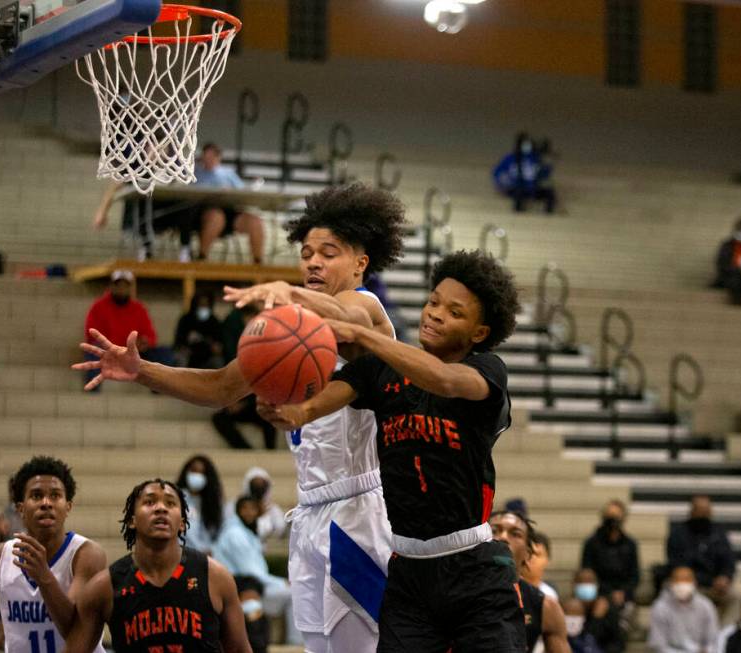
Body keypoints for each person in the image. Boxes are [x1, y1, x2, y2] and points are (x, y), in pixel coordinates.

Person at [73, 183, 407, 653]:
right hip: (310, 513)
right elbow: (221, 387)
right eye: (306, 252)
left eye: (328, 253)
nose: (312, 262)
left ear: (360, 263)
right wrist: (142, 369)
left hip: (359, 512)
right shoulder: (291, 328)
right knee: (318, 645)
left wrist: (288, 291)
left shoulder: (366, 308)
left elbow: (342, 315)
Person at [276, 250, 526, 652]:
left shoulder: (487, 370)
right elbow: (309, 406)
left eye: (455, 312)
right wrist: (284, 405)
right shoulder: (380, 372)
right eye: (433, 302)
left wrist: (363, 335)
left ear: (479, 333)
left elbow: (443, 379)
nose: (436, 314)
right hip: (408, 574)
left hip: (472, 567)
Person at [63, 479, 253, 653]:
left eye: (170, 503)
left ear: (183, 524)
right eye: (149, 502)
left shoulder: (215, 577)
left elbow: (240, 649)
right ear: (132, 520)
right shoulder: (104, 586)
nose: (161, 508)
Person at [0, 456, 107, 653]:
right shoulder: (0, 557)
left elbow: (77, 631)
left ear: (68, 506)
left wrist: (44, 578)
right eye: (36, 495)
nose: (46, 503)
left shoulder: (86, 555)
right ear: (21, 508)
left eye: (55, 495)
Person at [212, 496, 298, 645]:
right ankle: (295, 644)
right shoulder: (235, 534)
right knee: (293, 594)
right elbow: (251, 572)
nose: (249, 512)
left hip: (251, 584)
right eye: (244, 508)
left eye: (252, 508)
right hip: (240, 588)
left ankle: (294, 644)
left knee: (293, 592)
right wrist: (282, 583)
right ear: (237, 511)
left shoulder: (246, 532)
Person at [489, 511, 569, 653]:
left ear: (527, 553)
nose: (503, 537)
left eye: (515, 534)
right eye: (494, 531)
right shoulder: (454, 590)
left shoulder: (545, 606)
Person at [82, 270, 174, 390]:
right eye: (118, 285)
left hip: (133, 353)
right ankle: (93, 391)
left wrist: (145, 342)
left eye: (125, 285)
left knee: (164, 353)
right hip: (109, 352)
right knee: (93, 351)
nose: (121, 289)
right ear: (111, 286)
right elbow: (91, 334)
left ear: (130, 288)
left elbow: (150, 336)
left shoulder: (139, 308)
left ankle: (159, 389)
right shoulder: (98, 307)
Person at [667, 496, 741, 625]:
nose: (703, 515)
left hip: (718, 585)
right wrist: (710, 581)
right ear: (692, 512)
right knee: (681, 589)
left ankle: (724, 634)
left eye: (706, 511)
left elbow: (729, 558)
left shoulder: (718, 531)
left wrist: (725, 576)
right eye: (700, 511)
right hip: (693, 584)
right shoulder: (679, 534)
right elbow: (678, 565)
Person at [212, 306, 276, 449]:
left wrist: (245, 403)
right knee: (219, 418)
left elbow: (267, 386)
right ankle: (244, 449)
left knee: (269, 414)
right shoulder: (234, 348)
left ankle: (271, 450)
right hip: (236, 399)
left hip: (255, 402)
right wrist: (231, 401)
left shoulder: (266, 348)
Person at [93, 181, 199, 262]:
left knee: (187, 204)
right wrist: (102, 211)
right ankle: (145, 247)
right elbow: (115, 184)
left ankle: (185, 249)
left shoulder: (170, 162)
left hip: (162, 213)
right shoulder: (135, 163)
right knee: (144, 200)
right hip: (138, 215)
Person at [194, 143, 265, 263]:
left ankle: (258, 262)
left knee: (255, 221)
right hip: (204, 213)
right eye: (206, 156)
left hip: (230, 211)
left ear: (218, 157)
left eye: (212, 156)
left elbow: (242, 194)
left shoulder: (228, 174)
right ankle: (202, 257)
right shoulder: (196, 174)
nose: (209, 160)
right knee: (216, 217)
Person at [580, 500, 640, 610]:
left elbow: (635, 576)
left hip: (624, 595)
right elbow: (586, 573)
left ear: (623, 518)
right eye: (609, 516)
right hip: (598, 593)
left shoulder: (630, 544)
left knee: (628, 610)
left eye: (616, 516)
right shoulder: (592, 543)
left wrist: (623, 592)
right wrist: (607, 593)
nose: (612, 521)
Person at [648, 566, 720, 653]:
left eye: (686, 580)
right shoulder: (660, 607)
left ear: (694, 583)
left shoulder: (706, 606)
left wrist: (708, 650)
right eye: (678, 580)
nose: (682, 584)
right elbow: (658, 646)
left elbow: (713, 640)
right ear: (671, 583)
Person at [493, 132, 556, 213]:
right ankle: (518, 211)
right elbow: (497, 174)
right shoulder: (510, 158)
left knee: (550, 193)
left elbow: (545, 173)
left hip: (532, 188)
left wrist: (546, 165)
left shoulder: (535, 158)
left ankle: (549, 212)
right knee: (519, 193)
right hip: (516, 188)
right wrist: (507, 184)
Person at [176, 454, 225, 554]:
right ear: (186, 472)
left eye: (201, 473)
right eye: (194, 471)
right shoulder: (177, 498)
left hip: (206, 557)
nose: (197, 476)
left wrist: (211, 549)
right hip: (182, 553)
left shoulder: (212, 503)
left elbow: (216, 533)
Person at [572, 568, 625, 653]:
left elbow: (617, 643)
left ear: (596, 585)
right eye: (582, 581)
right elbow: (579, 641)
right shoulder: (569, 608)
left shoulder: (608, 609)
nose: (586, 585)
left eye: (589, 581)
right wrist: (596, 618)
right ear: (574, 584)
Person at [174, 290, 225, 369]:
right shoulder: (186, 320)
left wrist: (214, 346)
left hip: (208, 357)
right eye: (201, 305)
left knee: (218, 362)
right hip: (189, 356)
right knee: (180, 359)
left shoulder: (214, 322)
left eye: (206, 305)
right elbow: (178, 342)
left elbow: (219, 345)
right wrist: (184, 348)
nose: (203, 307)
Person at [235, 575, 270, 653]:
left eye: (254, 597)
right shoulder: (232, 619)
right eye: (247, 597)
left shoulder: (261, 617)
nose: (251, 602)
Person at [523, 530, 559, 601]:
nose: (532, 558)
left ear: (547, 560)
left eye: (537, 554)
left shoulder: (550, 595)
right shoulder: (510, 590)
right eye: (529, 553)